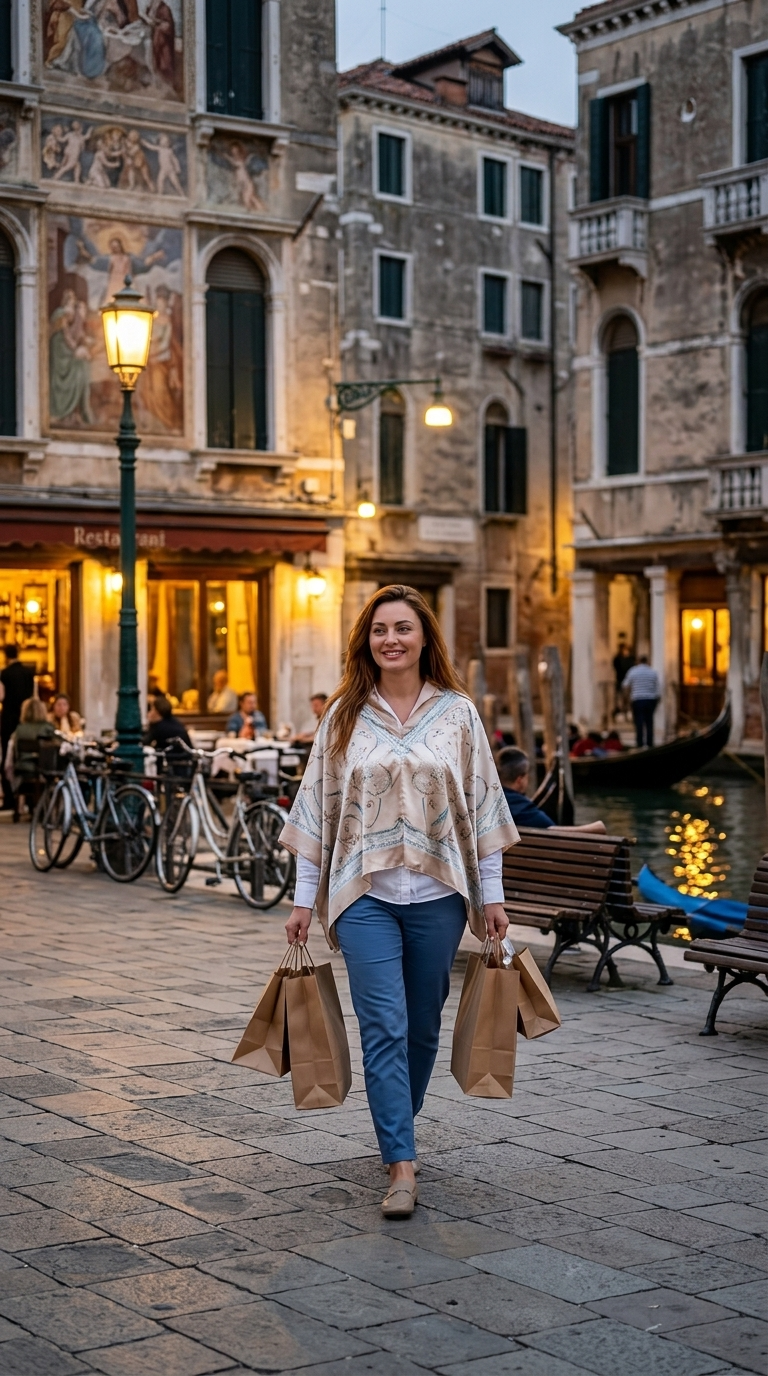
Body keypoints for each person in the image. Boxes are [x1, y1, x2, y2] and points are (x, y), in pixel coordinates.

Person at [280, 585, 519, 1220]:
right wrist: (305, 902)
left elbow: (484, 807)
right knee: (383, 1026)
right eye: (380, 629)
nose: (391, 639)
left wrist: (491, 896)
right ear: (367, 641)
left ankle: (395, 1122)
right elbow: (319, 813)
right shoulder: (342, 718)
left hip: (439, 896)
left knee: (421, 1029)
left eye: (403, 629)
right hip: (363, 897)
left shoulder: (459, 715)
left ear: (423, 639)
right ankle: (402, 1165)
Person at [498, 748, 606, 833]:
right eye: (527, 775)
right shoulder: (522, 808)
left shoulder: (488, 799)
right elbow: (551, 831)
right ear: (519, 780)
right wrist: (596, 828)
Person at [5, 698, 54, 822]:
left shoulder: (20, 730)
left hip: (23, 769)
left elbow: (12, 753)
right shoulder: (48, 728)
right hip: (44, 770)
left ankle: (24, 808)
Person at [0, 646, 35, 809]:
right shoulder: (29, 672)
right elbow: (34, 696)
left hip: (8, 720)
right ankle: (30, 799)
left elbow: (1, 696)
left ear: (6, 656)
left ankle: (9, 799)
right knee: (27, 756)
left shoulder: (4, 674)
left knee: (8, 756)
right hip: (26, 720)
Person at [623, 655, 661, 748]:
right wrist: (657, 701)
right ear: (647, 661)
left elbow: (625, 685)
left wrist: (626, 700)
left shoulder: (633, 671)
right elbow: (658, 689)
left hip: (637, 699)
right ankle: (649, 743)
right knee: (649, 722)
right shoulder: (653, 672)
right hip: (650, 699)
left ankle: (640, 744)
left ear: (638, 661)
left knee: (639, 722)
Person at [613, 636, 635, 719]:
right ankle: (621, 712)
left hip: (629, 681)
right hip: (620, 680)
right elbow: (616, 666)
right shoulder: (618, 659)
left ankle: (628, 711)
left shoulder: (631, 659)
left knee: (628, 698)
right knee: (620, 698)